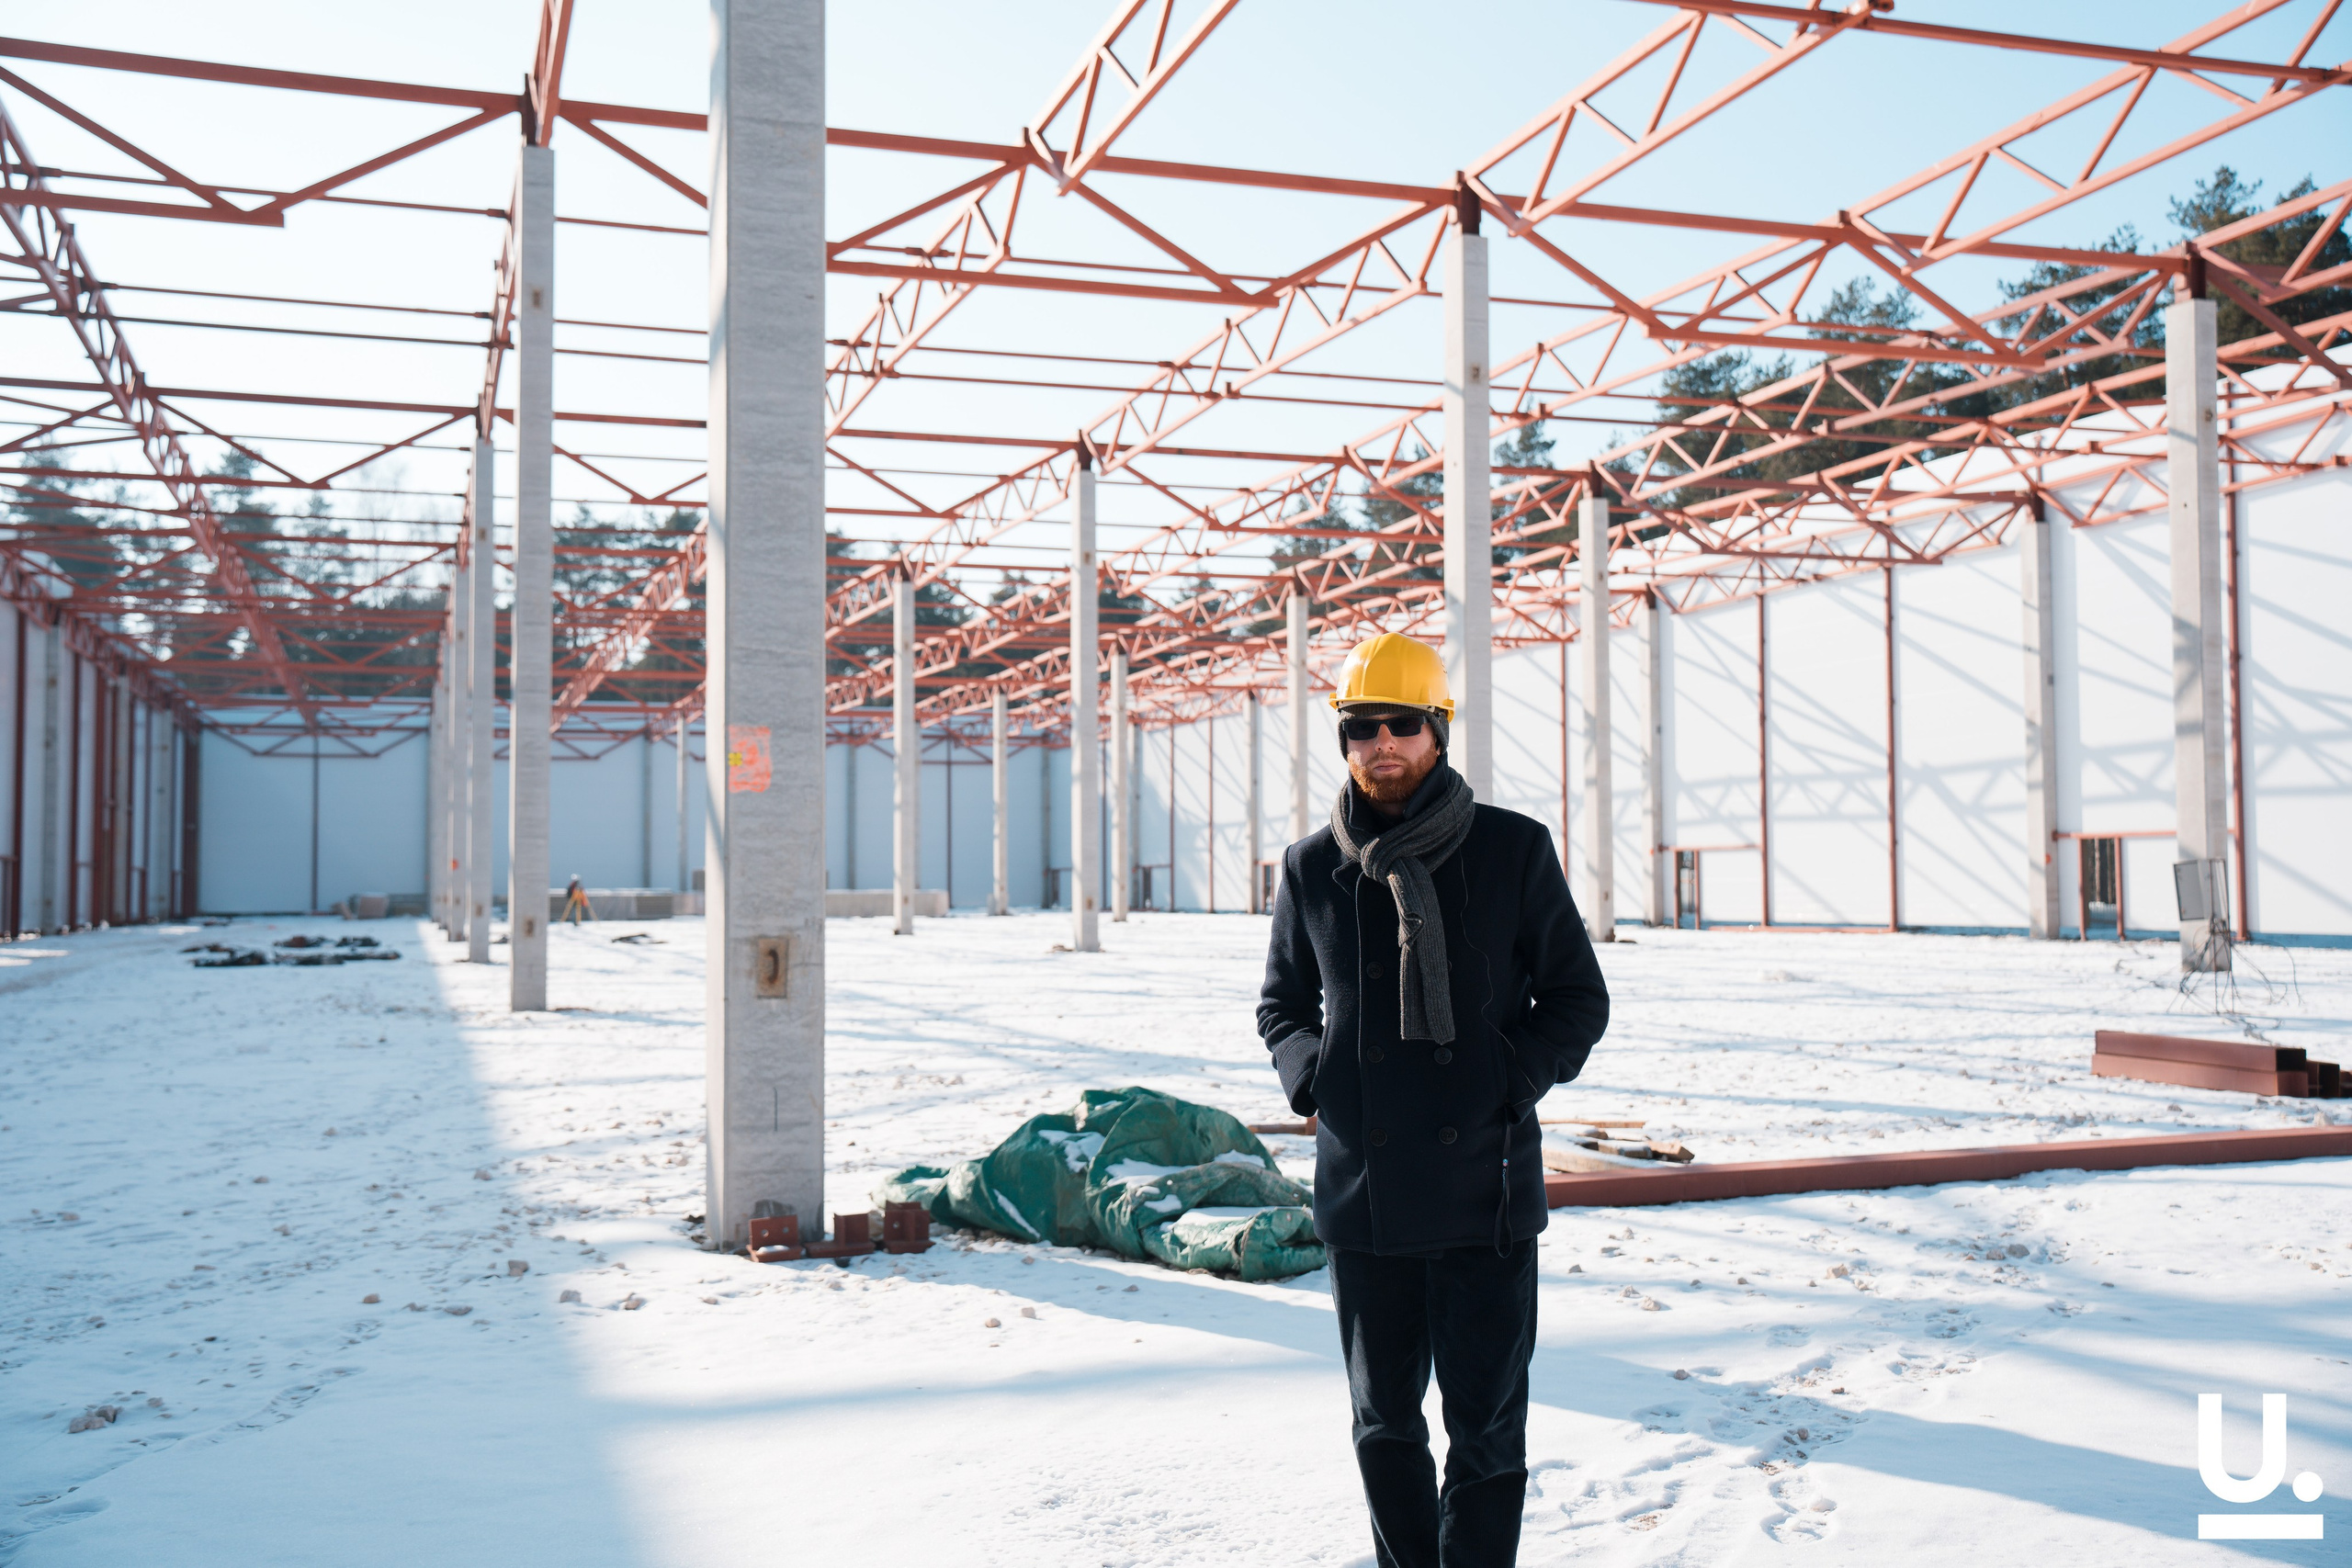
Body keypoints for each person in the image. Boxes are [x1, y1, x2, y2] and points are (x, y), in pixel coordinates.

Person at [1258, 630, 1610, 1568]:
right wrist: (1314, 1078)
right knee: (1382, 1425)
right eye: (1357, 728)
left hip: (1482, 1194)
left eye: (1399, 724)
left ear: (1438, 731)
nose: (1379, 744)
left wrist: (1506, 1080)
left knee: (1487, 1431)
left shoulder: (1511, 851)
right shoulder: (1309, 869)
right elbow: (1282, 1004)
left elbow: (1577, 998)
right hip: (1363, 1192)